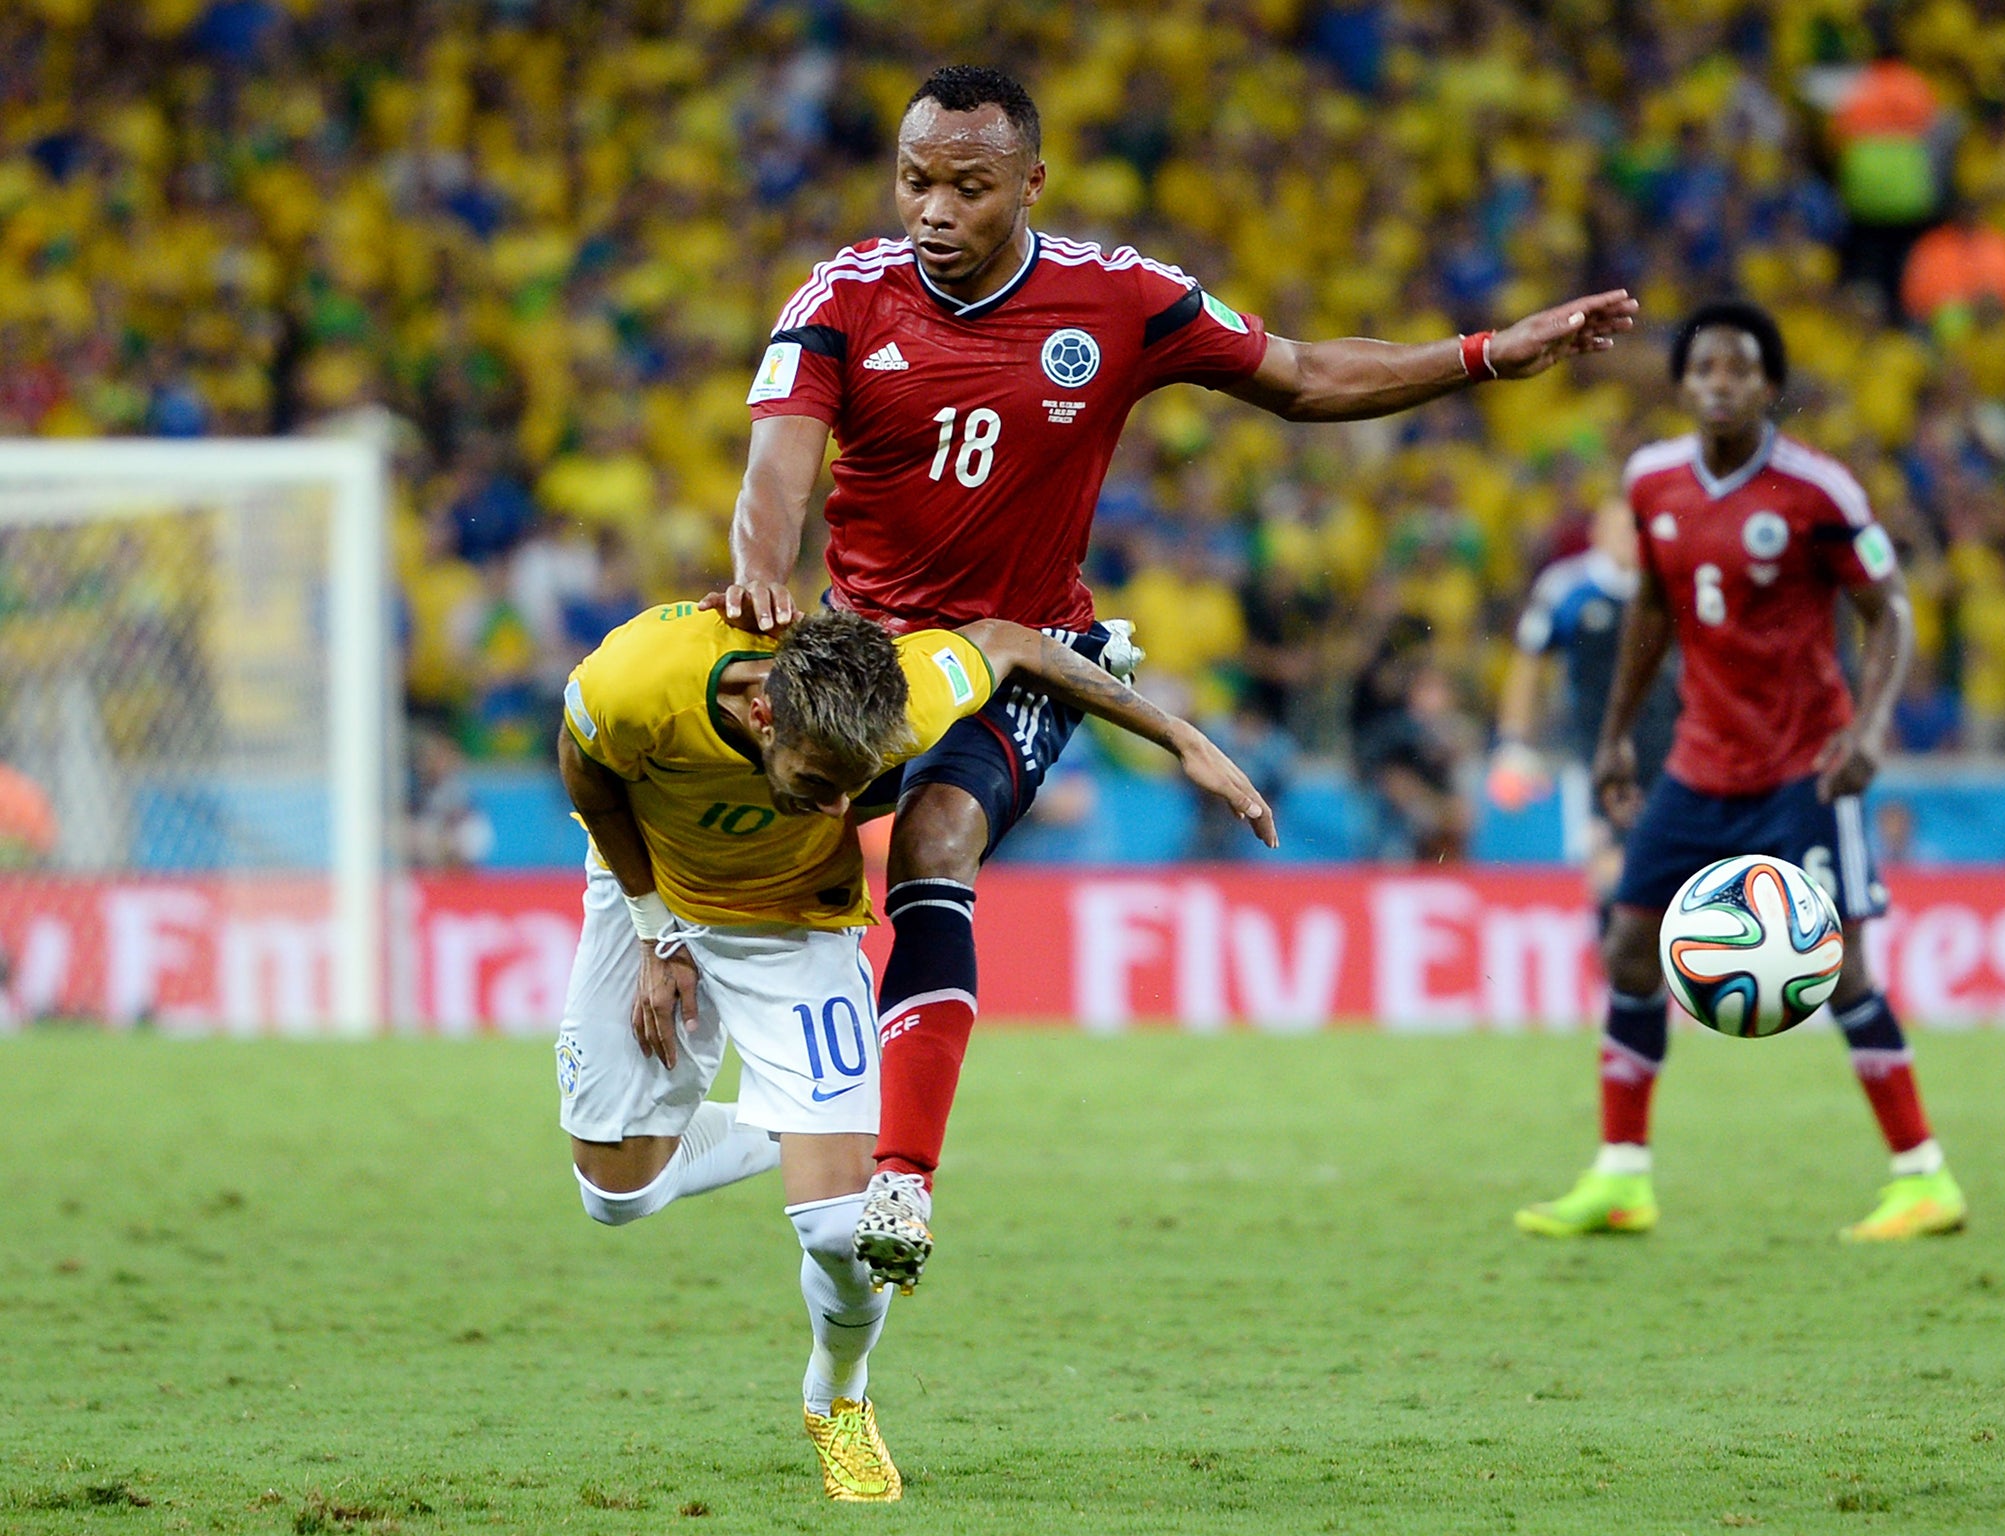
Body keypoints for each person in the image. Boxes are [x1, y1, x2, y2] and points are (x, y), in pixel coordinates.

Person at [716, 64, 1638, 1289]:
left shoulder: (1117, 299)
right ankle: (687, 1035)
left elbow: (1304, 376)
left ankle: (904, 1181)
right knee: (765, 856)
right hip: (866, 656)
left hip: (1026, 657)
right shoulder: (843, 298)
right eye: (914, 179)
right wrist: (762, 573)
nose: (931, 209)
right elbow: (772, 475)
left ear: (1029, 184)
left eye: (966, 187)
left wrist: (1481, 354)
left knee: (938, 842)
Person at [555, 600, 1274, 1503]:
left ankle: (837, 1399)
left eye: (855, 788)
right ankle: (802, 1127)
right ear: (766, 713)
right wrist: (655, 930)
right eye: (819, 783)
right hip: (649, 894)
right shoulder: (640, 677)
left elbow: (1013, 642)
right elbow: (585, 768)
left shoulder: (908, 692)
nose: (835, 808)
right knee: (616, 1195)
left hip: (796, 929)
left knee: (842, 1232)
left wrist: (1180, 738)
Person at [1515, 301, 1965, 1244]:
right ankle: (1621, 1177)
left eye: (1740, 369)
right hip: (1698, 762)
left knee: (1839, 967)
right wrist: (1613, 738)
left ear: (1768, 386)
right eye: (1705, 369)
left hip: (1808, 763)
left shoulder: (1819, 492)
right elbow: (1653, 615)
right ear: (1683, 386)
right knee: (1632, 949)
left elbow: (1891, 611)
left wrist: (1871, 729)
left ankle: (1923, 1176)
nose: (1721, 382)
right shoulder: (1652, 483)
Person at [1489, 495, 1679, 909]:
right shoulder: (1567, 586)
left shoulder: (1670, 583)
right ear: (1595, 534)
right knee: (1607, 874)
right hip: (1595, 754)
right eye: (1618, 529)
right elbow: (1528, 666)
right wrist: (1513, 742)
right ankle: (1616, 972)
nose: (1628, 540)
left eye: (1635, 530)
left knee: (1672, 870)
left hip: (1669, 750)